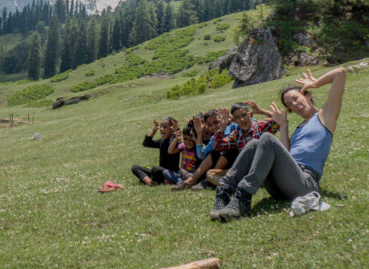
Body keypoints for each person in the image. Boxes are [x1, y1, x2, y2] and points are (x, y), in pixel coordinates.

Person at [210, 67, 346, 221]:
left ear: (307, 95)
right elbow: (285, 154)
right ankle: (224, 192)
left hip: (305, 185)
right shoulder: (299, 129)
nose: (294, 105)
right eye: (289, 104)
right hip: (283, 185)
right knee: (255, 143)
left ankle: (243, 197)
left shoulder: (325, 117)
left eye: (296, 98)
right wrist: (283, 125)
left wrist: (315, 83)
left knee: (267, 138)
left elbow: (340, 73)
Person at [131, 117, 181, 185]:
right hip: (160, 172)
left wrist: (175, 131)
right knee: (135, 167)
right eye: (161, 126)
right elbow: (146, 143)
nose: (161, 129)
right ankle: (149, 181)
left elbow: (171, 143)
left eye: (165, 127)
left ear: (172, 129)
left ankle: (153, 181)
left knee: (156, 169)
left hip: (170, 173)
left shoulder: (175, 141)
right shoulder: (162, 141)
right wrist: (154, 130)